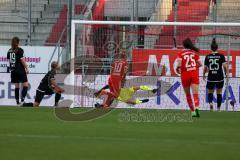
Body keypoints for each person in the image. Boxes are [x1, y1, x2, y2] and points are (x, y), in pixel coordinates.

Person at [176, 38, 202, 117]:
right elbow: (200, 64)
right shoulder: (195, 53)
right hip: (194, 74)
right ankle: (197, 107)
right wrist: (193, 67)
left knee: (188, 94)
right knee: (195, 94)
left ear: (184, 45)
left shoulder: (180, 54)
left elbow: (179, 66)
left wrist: (178, 70)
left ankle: (193, 112)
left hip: (185, 75)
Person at [203, 38, 228, 111]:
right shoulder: (221, 56)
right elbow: (225, 66)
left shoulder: (207, 56)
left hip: (211, 77)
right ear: (217, 48)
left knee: (210, 91)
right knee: (219, 92)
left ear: (211, 48)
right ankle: (218, 108)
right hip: (219, 77)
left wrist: (204, 74)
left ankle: (210, 103)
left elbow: (205, 67)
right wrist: (226, 74)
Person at [7, 37, 29, 105]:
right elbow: (22, 60)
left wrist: (11, 69)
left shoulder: (9, 50)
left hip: (13, 71)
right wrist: (26, 68)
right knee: (25, 85)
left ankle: (17, 102)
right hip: (20, 70)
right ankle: (22, 100)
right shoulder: (20, 50)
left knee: (17, 86)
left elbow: (9, 61)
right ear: (18, 42)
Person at [94, 85, 159, 108]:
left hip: (123, 93)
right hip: (124, 93)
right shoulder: (110, 95)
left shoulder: (110, 94)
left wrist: (99, 92)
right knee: (136, 89)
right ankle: (150, 91)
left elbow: (107, 86)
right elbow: (107, 105)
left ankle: (151, 90)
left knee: (137, 88)